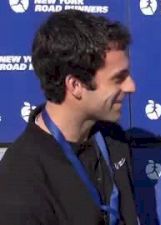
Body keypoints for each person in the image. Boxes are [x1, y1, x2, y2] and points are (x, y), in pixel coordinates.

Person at [0, 10, 138, 225]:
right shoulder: (21, 178)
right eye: (118, 78)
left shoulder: (114, 139)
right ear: (75, 85)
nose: (131, 87)